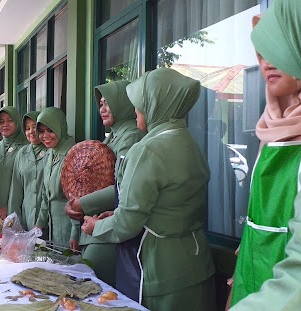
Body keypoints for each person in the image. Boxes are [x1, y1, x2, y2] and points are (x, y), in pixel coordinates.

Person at [82, 68, 216, 311]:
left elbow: (126, 225)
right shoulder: (190, 142)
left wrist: (96, 227)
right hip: (197, 266)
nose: (135, 111)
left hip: (161, 273)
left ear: (156, 104)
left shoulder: (147, 150)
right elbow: (168, 206)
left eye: (140, 104)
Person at [230, 1, 301, 309]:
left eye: (278, 49)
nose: (267, 62)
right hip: (252, 273)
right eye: (261, 53)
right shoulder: (268, 128)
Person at [65, 81, 144, 287]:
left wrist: (82, 203)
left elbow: (123, 186)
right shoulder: (113, 137)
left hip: (110, 229)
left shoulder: (131, 136)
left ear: (124, 103)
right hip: (96, 225)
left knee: (92, 287)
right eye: (100, 104)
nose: (103, 109)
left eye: (108, 103)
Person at [34, 107, 76, 249]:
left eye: (50, 130)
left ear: (60, 128)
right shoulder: (50, 154)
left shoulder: (74, 154)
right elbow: (46, 195)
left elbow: (77, 199)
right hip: (53, 231)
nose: (45, 135)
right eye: (41, 131)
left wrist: (75, 234)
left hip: (70, 230)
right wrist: (39, 224)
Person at [7, 111, 47, 230]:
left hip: (46, 215)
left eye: (34, 127)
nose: (31, 131)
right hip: (26, 214)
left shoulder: (50, 150)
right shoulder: (22, 153)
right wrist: (14, 220)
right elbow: (16, 189)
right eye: (27, 128)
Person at [0, 106, 29, 218]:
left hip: (18, 210)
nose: (5, 125)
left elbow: (25, 184)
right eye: (1, 122)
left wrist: (9, 206)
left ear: (17, 122)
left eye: (10, 120)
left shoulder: (26, 147)